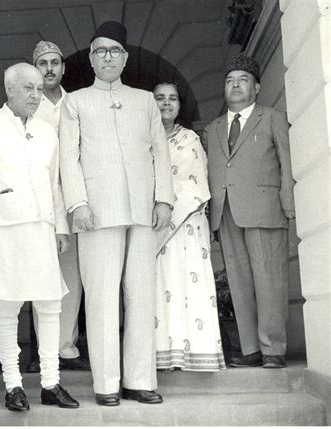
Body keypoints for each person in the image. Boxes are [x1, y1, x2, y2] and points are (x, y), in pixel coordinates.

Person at [59, 21, 173, 406]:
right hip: (96, 212)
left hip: (143, 209)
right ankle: (106, 383)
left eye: (114, 51)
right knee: (102, 298)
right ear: (91, 58)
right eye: (100, 51)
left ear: (124, 58)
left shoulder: (144, 101)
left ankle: (139, 379)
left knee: (141, 295)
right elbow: (68, 158)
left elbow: (160, 152)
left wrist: (164, 199)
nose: (107, 57)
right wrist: (78, 204)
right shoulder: (75, 102)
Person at [0, 63, 79, 411]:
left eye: (39, 89)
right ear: (9, 89)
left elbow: (54, 184)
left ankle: (50, 382)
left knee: (50, 304)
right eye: (28, 88)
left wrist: (60, 227)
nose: (35, 95)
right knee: (8, 306)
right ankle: (13, 386)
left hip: (42, 229)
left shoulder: (47, 132)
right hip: (4, 230)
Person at [204, 54, 295, 369]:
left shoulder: (272, 118)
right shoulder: (213, 128)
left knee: (269, 279)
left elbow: (287, 164)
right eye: (229, 81)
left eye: (242, 80)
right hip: (226, 213)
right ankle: (251, 349)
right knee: (240, 282)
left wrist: (288, 206)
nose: (235, 86)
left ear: (256, 87)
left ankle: (273, 349)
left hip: (265, 210)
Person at [153, 82, 226, 372]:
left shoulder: (191, 139)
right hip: (155, 226)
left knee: (189, 284)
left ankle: (197, 353)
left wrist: (170, 201)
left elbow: (199, 181)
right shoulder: (142, 139)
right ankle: (164, 354)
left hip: (187, 223)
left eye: (172, 99)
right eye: (160, 98)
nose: (166, 104)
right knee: (162, 285)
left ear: (179, 106)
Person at [32, 40, 89, 371]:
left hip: (72, 198)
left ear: (64, 68)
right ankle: (46, 349)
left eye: (55, 62)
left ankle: (65, 344)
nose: (50, 68)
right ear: (36, 68)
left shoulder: (75, 104)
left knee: (72, 275)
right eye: (43, 63)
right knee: (43, 274)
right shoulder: (26, 105)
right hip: (38, 199)